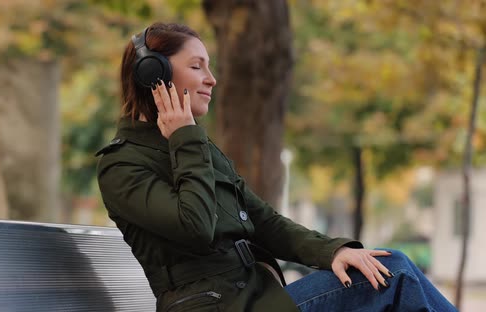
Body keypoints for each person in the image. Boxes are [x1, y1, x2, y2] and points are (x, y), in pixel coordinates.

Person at [96, 22, 457, 312]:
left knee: (385, 267)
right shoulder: (123, 164)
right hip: (215, 306)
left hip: (255, 296)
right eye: (196, 66)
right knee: (396, 274)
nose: (212, 79)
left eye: (209, 66)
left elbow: (264, 222)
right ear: (152, 74)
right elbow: (196, 225)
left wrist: (334, 251)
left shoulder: (193, 145)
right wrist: (185, 138)